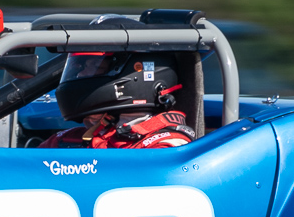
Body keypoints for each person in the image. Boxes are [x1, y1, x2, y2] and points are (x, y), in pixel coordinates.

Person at [39, 53, 196, 149]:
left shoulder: (166, 145)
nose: (81, 74)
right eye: (83, 67)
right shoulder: (68, 140)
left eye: (95, 66)